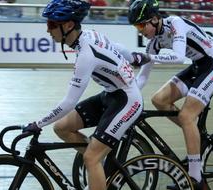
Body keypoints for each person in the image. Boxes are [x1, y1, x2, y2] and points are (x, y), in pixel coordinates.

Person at [22, 0, 143, 190]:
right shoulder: (88, 35)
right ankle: (99, 170)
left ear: (69, 25)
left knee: (90, 157)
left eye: (52, 24)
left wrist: (38, 123)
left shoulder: (86, 54)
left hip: (128, 100)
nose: (48, 30)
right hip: (112, 94)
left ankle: (95, 163)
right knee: (62, 128)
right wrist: (134, 57)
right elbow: (117, 46)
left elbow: (70, 101)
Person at [128, 0, 213, 189]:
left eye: (141, 25)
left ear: (155, 19)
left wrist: (148, 57)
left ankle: (195, 180)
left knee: (186, 116)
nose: (139, 30)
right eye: (136, 26)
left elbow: (179, 56)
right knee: (159, 100)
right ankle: (193, 135)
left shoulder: (175, 23)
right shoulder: (153, 43)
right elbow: (141, 79)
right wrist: (126, 97)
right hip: (198, 67)